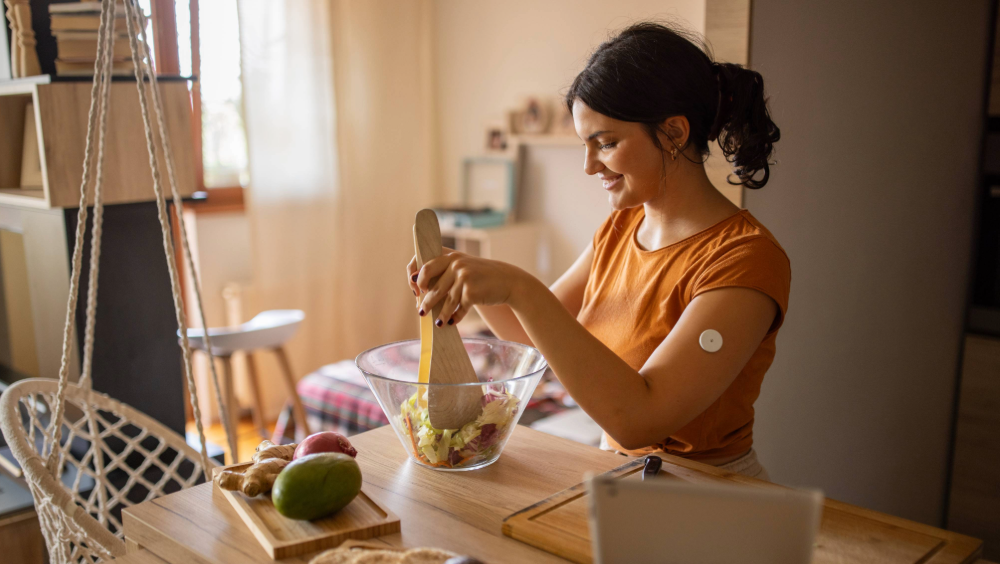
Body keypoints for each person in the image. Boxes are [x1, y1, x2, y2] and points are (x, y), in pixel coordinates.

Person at [406, 22, 786, 480]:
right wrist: (475, 282)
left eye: (605, 144)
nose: (589, 167)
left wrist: (520, 286)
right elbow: (534, 341)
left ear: (674, 133)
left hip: (709, 494)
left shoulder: (745, 259)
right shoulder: (622, 228)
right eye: (585, 146)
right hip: (618, 477)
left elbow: (640, 417)